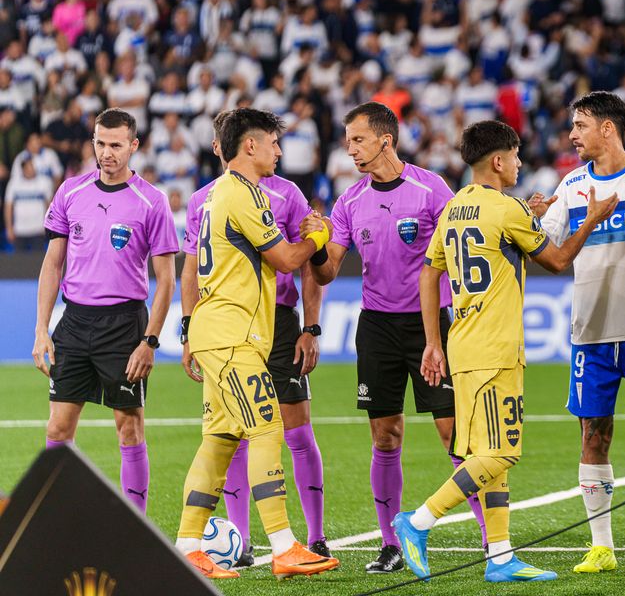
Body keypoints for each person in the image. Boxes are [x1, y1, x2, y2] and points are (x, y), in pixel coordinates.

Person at [393, 120, 617, 583]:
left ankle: (499, 557)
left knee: (487, 455)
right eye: (515, 156)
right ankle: (417, 523)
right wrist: (591, 221)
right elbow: (555, 261)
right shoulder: (505, 208)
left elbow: (428, 274)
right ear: (498, 161)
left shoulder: (456, 207)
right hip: (496, 350)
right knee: (502, 454)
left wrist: (433, 342)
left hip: (464, 346)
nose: (519, 163)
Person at [310, 100, 487, 573]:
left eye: (358, 139)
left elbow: (459, 249)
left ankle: (494, 540)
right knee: (384, 436)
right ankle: (390, 543)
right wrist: (313, 244)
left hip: (431, 325)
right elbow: (327, 272)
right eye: (347, 140)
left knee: (455, 435)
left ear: (385, 140)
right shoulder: (349, 201)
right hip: (377, 327)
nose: (350, 149)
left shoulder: (431, 189)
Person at [172, 108, 338, 580]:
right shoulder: (241, 194)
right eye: (273, 142)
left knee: (219, 443)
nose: (279, 151)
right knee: (267, 430)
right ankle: (284, 546)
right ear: (250, 146)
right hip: (232, 337)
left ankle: (188, 546)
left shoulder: (220, 195)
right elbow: (286, 258)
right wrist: (318, 236)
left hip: (219, 332)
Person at [530, 92, 625, 576]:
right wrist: (533, 216)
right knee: (593, 436)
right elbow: (551, 253)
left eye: (580, 125)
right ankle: (601, 546)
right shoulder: (572, 185)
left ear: (608, 129)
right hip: (589, 332)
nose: (572, 135)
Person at [32, 108, 177, 516]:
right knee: (58, 427)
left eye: (116, 145)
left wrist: (150, 340)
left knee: (128, 426)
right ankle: (57, 521)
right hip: (74, 321)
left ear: (134, 145)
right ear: (92, 142)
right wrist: (42, 329)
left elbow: (166, 279)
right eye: (100, 143)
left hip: (124, 324)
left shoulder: (152, 201)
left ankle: (136, 528)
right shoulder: (70, 192)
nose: (107, 153)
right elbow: (52, 265)